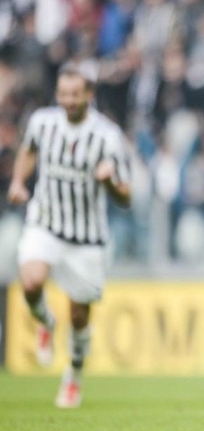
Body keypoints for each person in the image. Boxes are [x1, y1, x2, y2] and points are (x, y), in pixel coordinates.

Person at [7, 60, 132, 409]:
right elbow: (28, 151)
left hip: (87, 238)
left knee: (79, 316)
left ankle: (73, 375)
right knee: (31, 282)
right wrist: (18, 182)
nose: (69, 100)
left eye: (75, 94)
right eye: (63, 94)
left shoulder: (107, 136)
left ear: (89, 95)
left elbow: (127, 197)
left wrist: (110, 182)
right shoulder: (42, 122)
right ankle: (46, 321)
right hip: (45, 222)